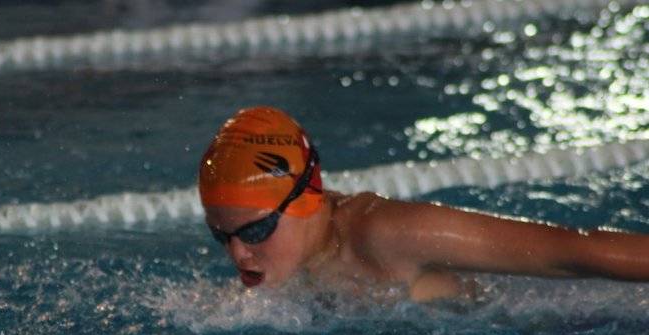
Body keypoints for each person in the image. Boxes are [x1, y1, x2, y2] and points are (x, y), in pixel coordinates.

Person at [198, 106, 649, 302]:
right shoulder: (291, 268)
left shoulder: (385, 234)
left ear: (304, 199)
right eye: (222, 235)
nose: (237, 253)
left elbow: (574, 251)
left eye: (255, 231)